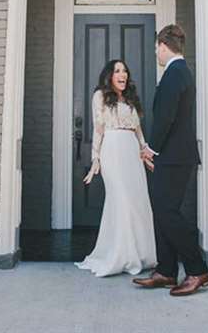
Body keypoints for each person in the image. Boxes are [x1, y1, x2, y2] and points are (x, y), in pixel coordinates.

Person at [132, 24, 208, 297]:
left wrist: (150, 149)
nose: (155, 52)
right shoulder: (178, 72)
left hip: (175, 157)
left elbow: (166, 117)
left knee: (168, 213)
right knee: (163, 212)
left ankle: (197, 270)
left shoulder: (175, 73)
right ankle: (166, 271)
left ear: (164, 46)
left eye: (156, 47)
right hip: (173, 156)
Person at [75, 60, 157, 277]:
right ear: (109, 76)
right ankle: (120, 255)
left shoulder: (130, 98)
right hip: (112, 150)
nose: (123, 74)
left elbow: (138, 130)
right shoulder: (100, 96)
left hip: (131, 151)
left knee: (137, 201)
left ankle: (141, 254)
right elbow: (98, 129)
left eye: (125, 71)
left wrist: (145, 150)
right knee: (120, 200)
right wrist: (95, 160)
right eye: (117, 71)